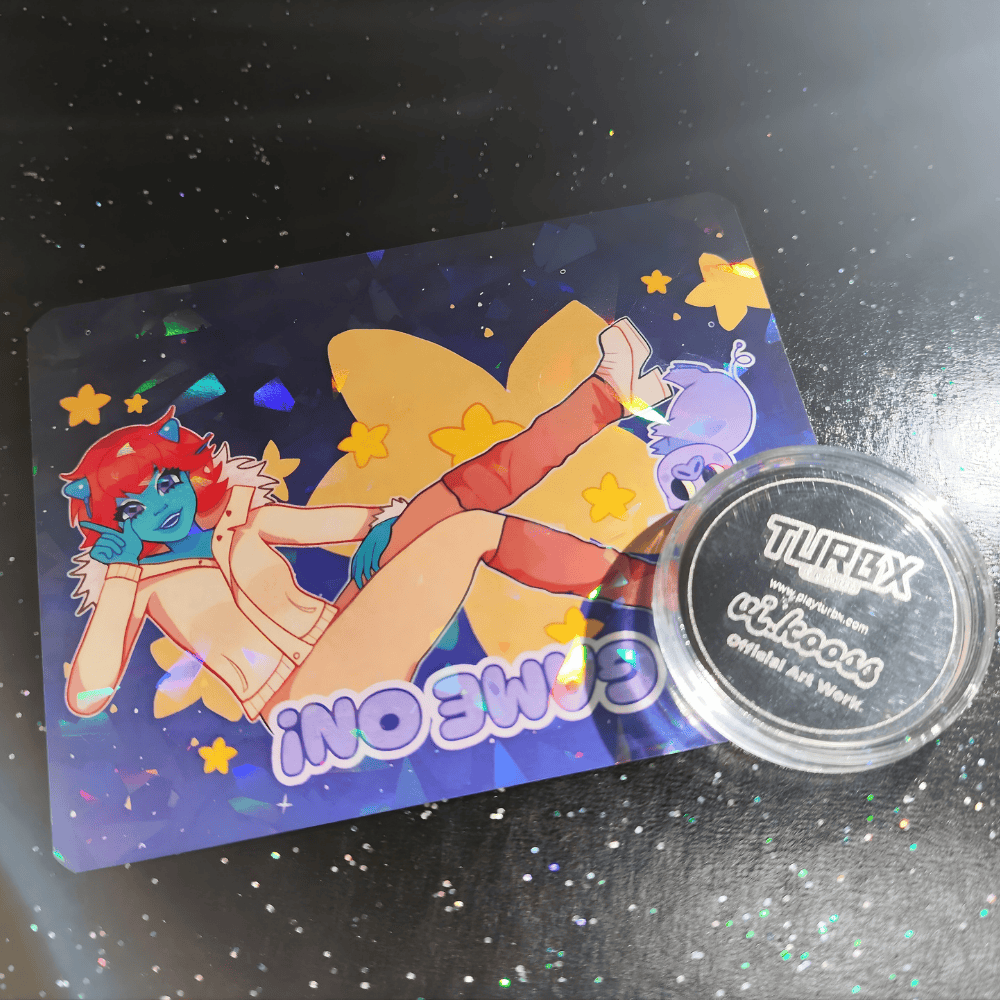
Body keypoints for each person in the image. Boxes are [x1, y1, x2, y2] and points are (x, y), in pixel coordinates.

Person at [61, 318, 669, 726]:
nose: (162, 507)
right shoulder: (137, 587)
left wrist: (394, 522)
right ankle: (657, 587)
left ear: (188, 472)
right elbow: (88, 695)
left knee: (460, 493)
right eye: (133, 507)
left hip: (348, 633)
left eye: (167, 483)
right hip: (309, 704)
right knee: (472, 530)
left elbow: (340, 524)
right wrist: (120, 574)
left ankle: (609, 394)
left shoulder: (242, 520)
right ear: (112, 521)